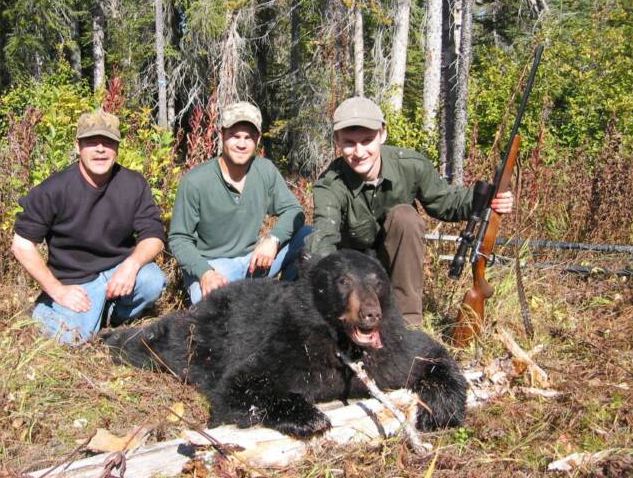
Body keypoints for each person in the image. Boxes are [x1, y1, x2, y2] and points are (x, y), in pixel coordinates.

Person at [308, 96, 513, 326]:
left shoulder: (411, 165)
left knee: (406, 216)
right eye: (349, 142)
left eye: (367, 140)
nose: (359, 151)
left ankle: (408, 325)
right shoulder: (330, 184)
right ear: (337, 140)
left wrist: (489, 200)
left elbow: (446, 202)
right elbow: (324, 238)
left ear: (382, 134)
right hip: (353, 274)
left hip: (395, 269)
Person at [12, 110, 167, 344]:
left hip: (118, 271)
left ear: (117, 147)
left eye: (108, 142)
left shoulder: (133, 183)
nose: (100, 149)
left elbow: (154, 235)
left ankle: (108, 318)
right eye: (91, 142)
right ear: (78, 147)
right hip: (76, 280)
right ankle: (46, 310)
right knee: (73, 338)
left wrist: (131, 265)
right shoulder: (54, 189)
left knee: (152, 280)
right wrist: (57, 290)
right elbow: (22, 245)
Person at [169, 101, 311, 304]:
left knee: (308, 237)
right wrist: (205, 272)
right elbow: (179, 238)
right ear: (222, 135)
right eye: (235, 136)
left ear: (258, 140)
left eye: (248, 138)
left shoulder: (265, 170)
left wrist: (273, 239)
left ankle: (287, 301)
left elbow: (294, 210)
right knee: (209, 306)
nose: (242, 144)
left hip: (254, 260)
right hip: (215, 266)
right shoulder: (195, 181)